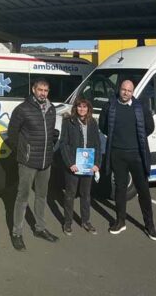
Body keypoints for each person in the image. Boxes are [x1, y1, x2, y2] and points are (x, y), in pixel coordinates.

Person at [99, 79, 156, 241]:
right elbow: (103, 126)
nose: (126, 93)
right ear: (119, 89)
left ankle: (149, 225)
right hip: (117, 154)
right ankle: (120, 222)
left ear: (133, 92)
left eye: (129, 90)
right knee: (120, 189)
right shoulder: (110, 106)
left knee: (143, 190)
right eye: (124, 89)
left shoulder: (140, 107)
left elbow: (149, 127)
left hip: (137, 155)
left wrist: (134, 140)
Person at [6, 78, 59, 251]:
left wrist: (51, 145)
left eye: (46, 90)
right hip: (28, 161)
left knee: (41, 196)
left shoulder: (51, 110)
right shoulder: (22, 109)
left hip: (46, 161)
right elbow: (12, 134)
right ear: (33, 89)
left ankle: (40, 229)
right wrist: (23, 152)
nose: (43, 93)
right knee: (22, 198)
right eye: (40, 89)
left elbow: (50, 133)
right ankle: (17, 233)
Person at [59, 97, 101, 236]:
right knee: (70, 195)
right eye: (79, 106)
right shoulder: (68, 121)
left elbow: (97, 144)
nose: (82, 109)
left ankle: (85, 221)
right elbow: (63, 144)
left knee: (86, 195)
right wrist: (70, 163)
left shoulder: (93, 123)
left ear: (88, 108)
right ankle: (68, 223)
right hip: (74, 165)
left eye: (84, 107)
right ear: (75, 108)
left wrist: (96, 164)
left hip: (88, 166)